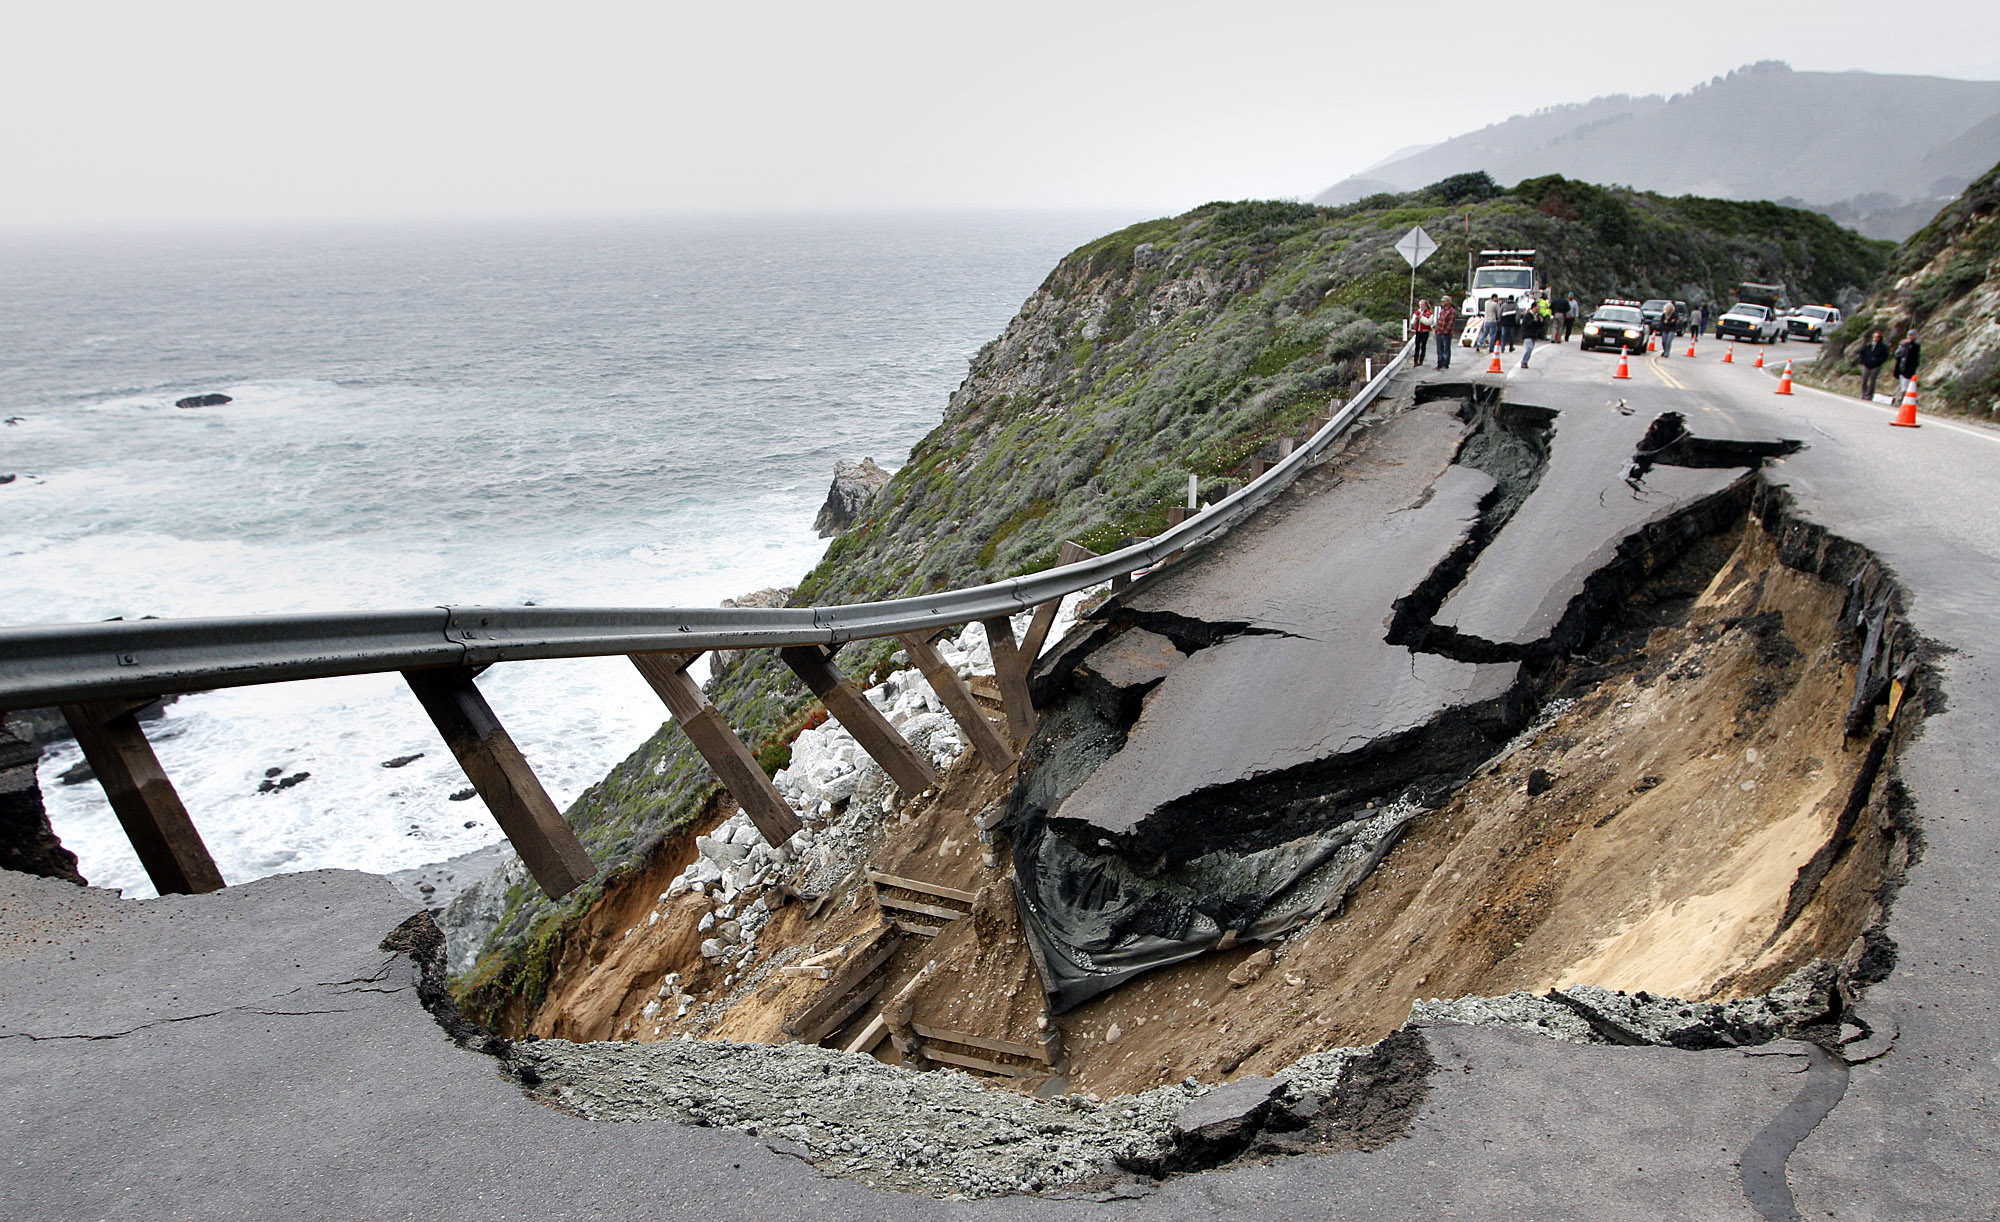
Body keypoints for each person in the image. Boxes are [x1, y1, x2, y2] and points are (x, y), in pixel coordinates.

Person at [1856, 329, 1891, 401]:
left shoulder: (1882, 347)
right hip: (1867, 364)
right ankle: (1864, 393)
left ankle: (1869, 395)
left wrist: (1877, 361)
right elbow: (1862, 353)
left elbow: (1884, 356)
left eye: (1877, 337)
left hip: (1876, 365)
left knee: (1872, 380)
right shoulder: (1868, 345)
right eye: (1874, 336)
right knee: (1864, 379)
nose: (1875, 338)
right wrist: (1864, 361)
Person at [1894, 331, 1922, 400]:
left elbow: (1915, 353)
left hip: (1909, 366)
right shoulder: (1903, 344)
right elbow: (1897, 354)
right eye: (1909, 335)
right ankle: (1903, 395)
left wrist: (1909, 343)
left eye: (1911, 335)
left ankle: (1904, 397)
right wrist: (1902, 345)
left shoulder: (1916, 345)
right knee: (1902, 381)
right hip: (1901, 365)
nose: (1910, 337)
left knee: (1906, 383)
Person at [1433, 298, 1457, 369]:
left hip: (1446, 333)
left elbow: (1451, 322)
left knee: (1446, 348)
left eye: (1444, 301)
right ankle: (1439, 363)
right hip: (1439, 331)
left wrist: (1446, 331)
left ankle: (1445, 364)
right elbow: (1439, 320)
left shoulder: (1452, 311)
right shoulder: (1442, 310)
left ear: (1448, 302)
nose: (1442, 302)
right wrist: (1437, 329)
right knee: (1439, 349)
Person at [1411, 298, 1434, 364]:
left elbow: (1429, 322)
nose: (1421, 306)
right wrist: (1415, 319)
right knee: (1417, 346)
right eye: (1420, 305)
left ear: (1425, 305)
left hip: (1425, 331)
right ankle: (1415, 361)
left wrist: (1421, 318)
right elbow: (1412, 322)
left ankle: (1421, 360)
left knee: (1423, 346)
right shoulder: (1417, 312)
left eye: (1422, 304)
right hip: (1418, 331)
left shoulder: (1429, 313)